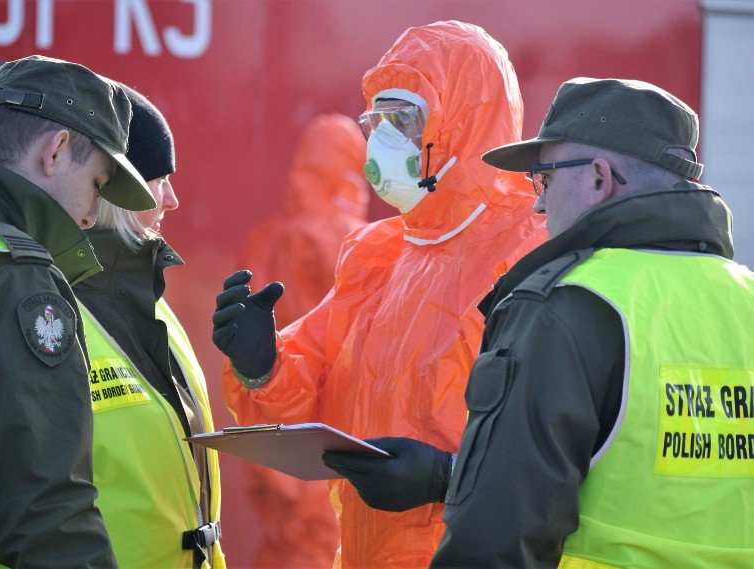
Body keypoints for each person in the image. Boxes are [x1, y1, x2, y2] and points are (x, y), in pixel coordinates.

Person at [330, 77, 754, 567]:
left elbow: (497, 542)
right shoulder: (743, 299)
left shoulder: (568, 305)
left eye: (546, 178)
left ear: (598, 177)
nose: (537, 202)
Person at [211, 20, 546, 568]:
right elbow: (311, 381)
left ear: (462, 119)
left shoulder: (529, 253)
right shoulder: (378, 256)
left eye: (406, 119)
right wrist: (262, 363)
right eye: (378, 119)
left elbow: (565, 440)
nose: (385, 139)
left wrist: (447, 479)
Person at [0, 55, 154, 566]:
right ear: (57, 150)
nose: (88, 215)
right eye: (98, 185)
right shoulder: (12, 277)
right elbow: (48, 519)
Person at [73, 84, 225, 569]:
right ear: (115, 191)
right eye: (159, 179)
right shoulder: (51, 307)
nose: (173, 199)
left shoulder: (152, 300)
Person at [236, 112, 369, 569]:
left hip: (271, 434)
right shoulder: (351, 240)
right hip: (327, 440)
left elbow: (244, 342)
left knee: (282, 548)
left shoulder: (266, 237)